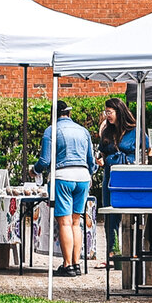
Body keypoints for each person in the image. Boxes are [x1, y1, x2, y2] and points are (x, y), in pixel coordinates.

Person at [41, 99, 94, 278]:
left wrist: (35, 170)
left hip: (62, 176)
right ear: (69, 114)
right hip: (83, 176)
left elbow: (45, 161)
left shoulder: (51, 130)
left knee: (64, 222)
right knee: (76, 222)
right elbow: (91, 161)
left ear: (53, 114)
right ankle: (77, 264)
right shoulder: (83, 131)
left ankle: (67, 265)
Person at [96, 99, 140, 171]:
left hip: (129, 171)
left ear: (119, 112)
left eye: (109, 112)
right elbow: (103, 153)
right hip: (110, 172)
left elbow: (150, 148)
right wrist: (101, 160)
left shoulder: (134, 131)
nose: (107, 116)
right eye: (106, 113)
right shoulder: (106, 132)